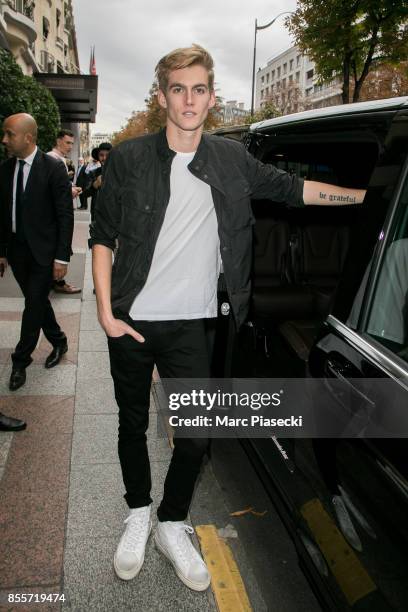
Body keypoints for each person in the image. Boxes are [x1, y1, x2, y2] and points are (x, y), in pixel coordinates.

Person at [90, 44, 366, 591]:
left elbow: (294, 190)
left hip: (194, 324)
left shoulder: (231, 159)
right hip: (132, 320)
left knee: (194, 437)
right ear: (163, 95)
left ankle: (172, 520)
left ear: (211, 98)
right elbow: (102, 238)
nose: (189, 100)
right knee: (132, 425)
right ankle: (138, 512)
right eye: (178, 89)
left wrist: (366, 197)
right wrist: (105, 313)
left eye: (199, 89)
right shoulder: (128, 159)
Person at [0, 113, 73, 391]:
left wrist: (62, 256)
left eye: (10, 134)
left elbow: (65, 215)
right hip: (17, 252)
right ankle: (59, 340)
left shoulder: (52, 168)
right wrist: (2, 250)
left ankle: (20, 361)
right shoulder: (5, 170)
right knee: (38, 302)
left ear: (28, 137)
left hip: (44, 253)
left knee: (32, 305)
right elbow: (2, 214)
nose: (5, 139)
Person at [48, 129, 82, 294]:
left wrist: (71, 189)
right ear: (58, 140)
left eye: (71, 143)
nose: (70, 146)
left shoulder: (59, 159)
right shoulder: (51, 159)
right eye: (68, 142)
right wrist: (70, 191)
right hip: (54, 214)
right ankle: (57, 281)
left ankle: (56, 281)